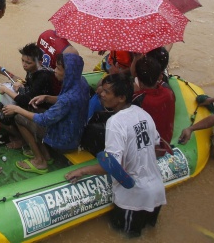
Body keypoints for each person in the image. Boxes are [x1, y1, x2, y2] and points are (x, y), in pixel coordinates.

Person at [65, 73, 166, 238]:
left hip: (134, 199)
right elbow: (155, 147)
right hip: (156, 193)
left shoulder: (116, 122)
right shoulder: (142, 113)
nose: (101, 94)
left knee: (121, 236)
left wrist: (82, 171)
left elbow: (112, 165)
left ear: (120, 97)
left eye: (106, 92)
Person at [3, 53, 90, 173]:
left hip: (64, 140)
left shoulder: (68, 99)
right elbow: (65, 99)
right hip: (74, 133)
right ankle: (46, 155)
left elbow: (44, 119)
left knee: (19, 117)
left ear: (68, 72)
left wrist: (17, 109)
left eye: (58, 68)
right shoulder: (81, 81)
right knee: (31, 111)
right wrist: (48, 97)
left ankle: (40, 161)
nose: (55, 71)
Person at [132, 56, 175, 146]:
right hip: (165, 141)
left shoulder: (138, 99)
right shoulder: (168, 92)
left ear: (138, 80)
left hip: (149, 147)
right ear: (160, 76)